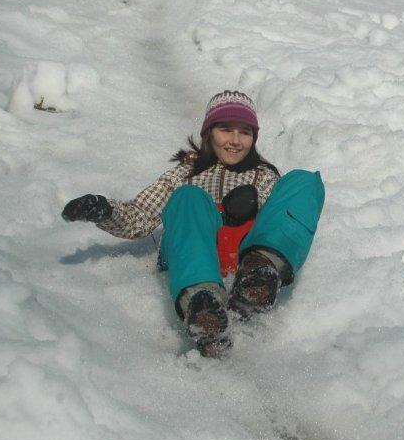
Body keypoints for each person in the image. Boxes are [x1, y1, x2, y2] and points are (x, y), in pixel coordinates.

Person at [61, 90, 325, 357]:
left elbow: (279, 220)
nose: (235, 140)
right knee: (189, 196)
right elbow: (138, 217)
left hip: (242, 259)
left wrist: (248, 211)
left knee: (304, 181)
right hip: (189, 253)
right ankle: (203, 306)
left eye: (245, 132)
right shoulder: (184, 175)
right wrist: (104, 210)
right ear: (209, 133)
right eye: (225, 129)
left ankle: (260, 274)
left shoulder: (264, 177)